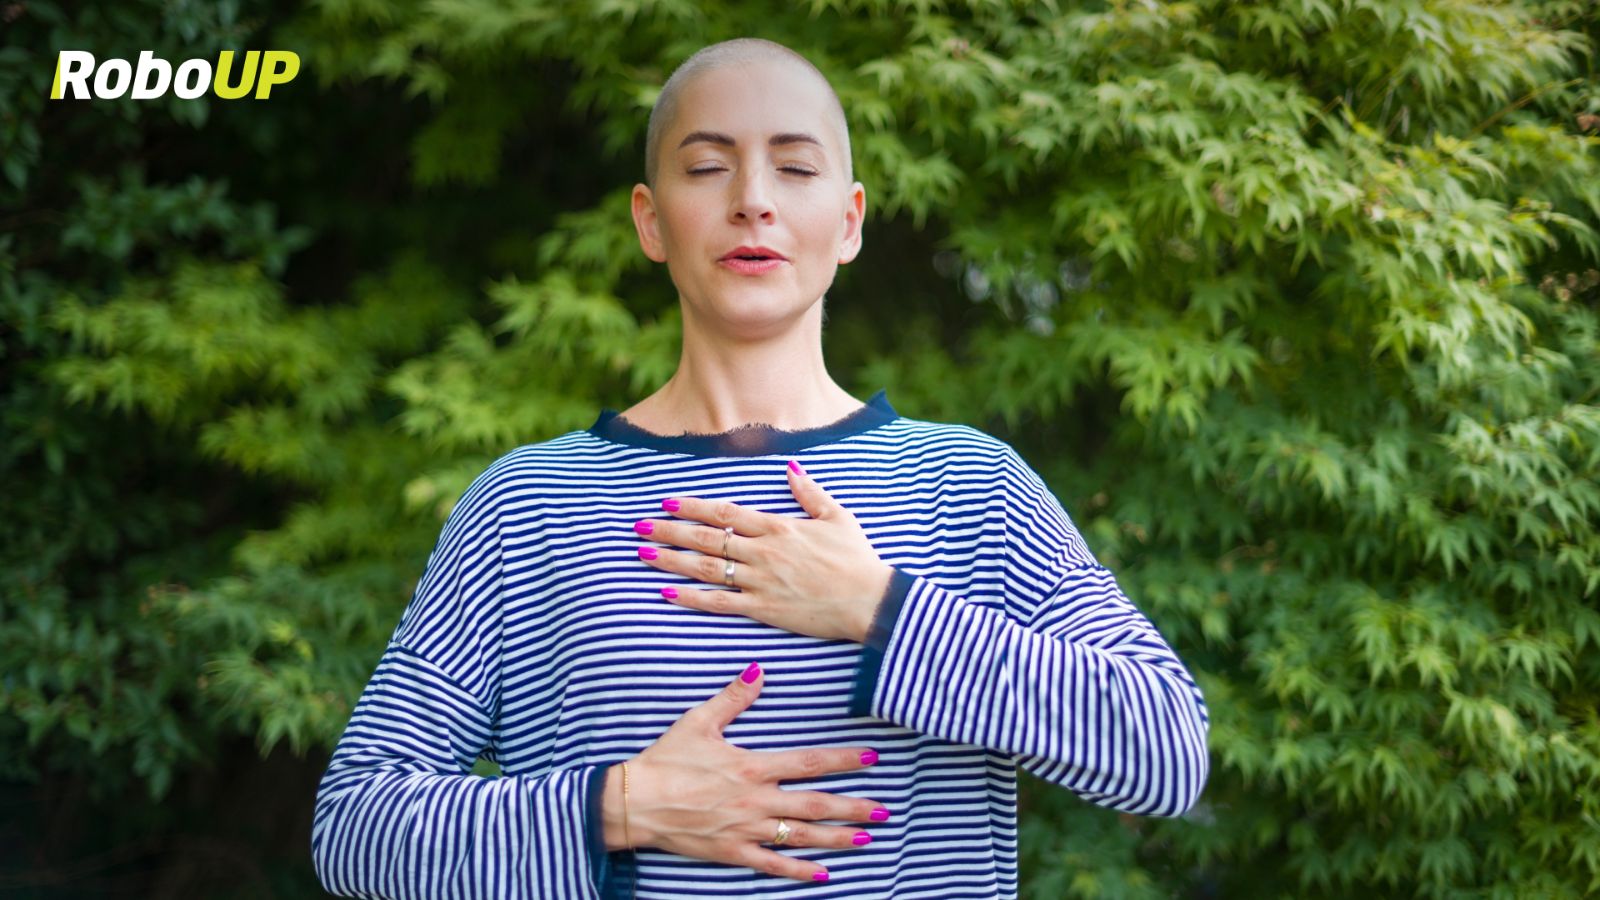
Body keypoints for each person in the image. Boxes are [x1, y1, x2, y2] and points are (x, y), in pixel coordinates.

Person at [310, 36, 1210, 899]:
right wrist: (621, 807)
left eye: (795, 166)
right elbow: (357, 827)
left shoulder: (968, 487)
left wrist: (879, 612)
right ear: (651, 220)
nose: (752, 200)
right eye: (707, 167)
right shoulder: (529, 505)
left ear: (849, 221)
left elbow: (1165, 751)